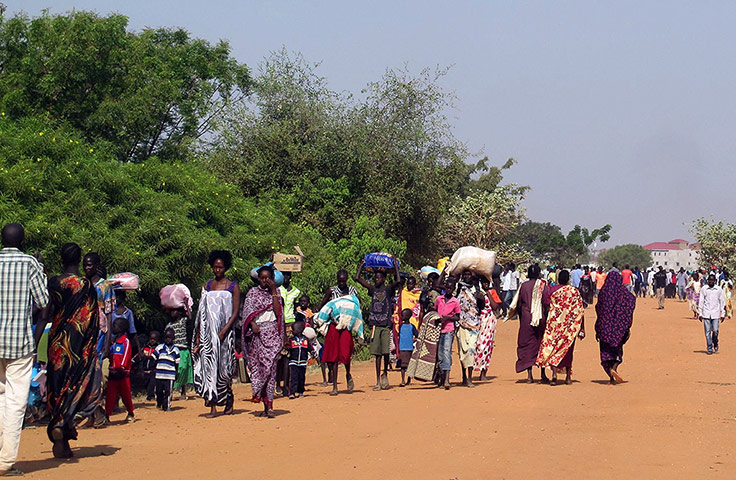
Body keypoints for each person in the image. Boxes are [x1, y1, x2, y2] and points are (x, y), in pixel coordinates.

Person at [40, 243, 100, 459]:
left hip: (56, 341)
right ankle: (65, 424)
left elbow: (46, 313)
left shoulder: (53, 282)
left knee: (57, 387)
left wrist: (36, 340)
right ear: (79, 259)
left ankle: (61, 435)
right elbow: (91, 318)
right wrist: (91, 348)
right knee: (75, 386)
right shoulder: (85, 285)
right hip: (77, 345)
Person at [0, 223, 49, 473]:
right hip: (19, 344)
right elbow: (43, 301)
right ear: (21, 242)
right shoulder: (29, 263)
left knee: (0, 398)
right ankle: (5, 462)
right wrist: (40, 269)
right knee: (15, 403)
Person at [193, 250, 240, 417]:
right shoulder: (207, 286)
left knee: (224, 368)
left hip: (225, 335)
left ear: (226, 267)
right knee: (209, 367)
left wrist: (224, 331)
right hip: (208, 334)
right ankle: (212, 405)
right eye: (214, 267)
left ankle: (228, 397)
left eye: (220, 267)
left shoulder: (232, 286)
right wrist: (199, 337)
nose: (217, 270)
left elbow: (235, 312)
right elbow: (201, 313)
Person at [242, 265, 283, 418]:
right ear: (258, 279)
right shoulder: (252, 294)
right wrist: (253, 325)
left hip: (272, 334)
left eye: (268, 278)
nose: (265, 280)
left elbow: (278, 313)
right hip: (257, 336)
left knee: (270, 371)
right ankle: (264, 404)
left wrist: (273, 292)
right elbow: (246, 314)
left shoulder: (277, 292)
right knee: (259, 370)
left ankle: (270, 405)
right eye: (262, 278)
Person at [356, 259, 401, 391]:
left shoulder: (387, 290)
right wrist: (361, 265)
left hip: (386, 324)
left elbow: (398, 281)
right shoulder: (372, 289)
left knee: (386, 352)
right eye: (375, 277)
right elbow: (357, 278)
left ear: (384, 279)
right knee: (377, 354)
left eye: (379, 277)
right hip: (375, 325)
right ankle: (377, 381)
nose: (376, 279)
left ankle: (385, 373)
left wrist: (395, 266)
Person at [536, 270, 585, 385]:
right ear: (568, 279)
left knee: (553, 348)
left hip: (554, 325)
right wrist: (582, 328)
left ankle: (554, 374)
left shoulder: (552, 290)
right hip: (569, 326)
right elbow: (580, 310)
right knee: (568, 350)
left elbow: (547, 305)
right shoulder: (574, 291)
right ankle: (568, 377)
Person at [318, 270, 359, 396]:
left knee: (346, 353)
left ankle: (348, 374)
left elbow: (356, 306)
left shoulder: (352, 291)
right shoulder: (332, 291)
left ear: (347, 279)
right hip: (334, 327)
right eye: (339, 280)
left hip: (346, 327)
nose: (341, 283)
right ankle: (335, 387)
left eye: (343, 280)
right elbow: (324, 304)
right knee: (333, 356)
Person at [509, 264, 549, 383]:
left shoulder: (523, 286)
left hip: (526, 318)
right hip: (541, 318)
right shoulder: (543, 286)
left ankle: (529, 375)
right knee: (542, 343)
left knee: (526, 345)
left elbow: (519, 304)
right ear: (538, 274)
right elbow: (546, 303)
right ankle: (543, 374)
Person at [594, 271, 635, 384]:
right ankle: (614, 368)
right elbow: (631, 304)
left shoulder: (603, 292)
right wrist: (627, 325)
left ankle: (611, 374)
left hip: (604, 328)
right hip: (619, 328)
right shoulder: (624, 293)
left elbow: (598, 308)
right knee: (617, 351)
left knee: (606, 352)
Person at [455, 270, 484, 387]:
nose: (467, 277)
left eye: (469, 275)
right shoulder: (458, 288)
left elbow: (481, 309)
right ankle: (464, 376)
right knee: (463, 350)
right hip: (461, 323)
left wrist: (480, 299)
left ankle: (470, 378)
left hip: (474, 324)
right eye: (465, 275)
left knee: (471, 350)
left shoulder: (477, 290)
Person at [104, 316, 135, 423]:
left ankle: (131, 413)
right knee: (110, 395)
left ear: (121, 328)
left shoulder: (125, 341)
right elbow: (109, 355)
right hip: (113, 373)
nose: (113, 327)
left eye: (114, 325)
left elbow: (127, 356)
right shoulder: (113, 342)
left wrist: (121, 368)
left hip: (122, 374)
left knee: (125, 395)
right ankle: (107, 415)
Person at [278, 271, 301, 396]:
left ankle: (286, 385)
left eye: (288, 275)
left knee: (288, 356)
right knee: (278, 357)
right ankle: (277, 384)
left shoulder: (296, 292)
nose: (286, 278)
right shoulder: (277, 290)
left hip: (290, 325)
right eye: (284, 275)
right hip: (278, 325)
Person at [435, 275, 460, 390]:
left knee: (446, 352)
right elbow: (435, 311)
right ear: (445, 287)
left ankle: (447, 379)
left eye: (451, 288)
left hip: (449, 329)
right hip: (438, 329)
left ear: (453, 288)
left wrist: (447, 318)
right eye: (447, 288)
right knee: (439, 355)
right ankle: (441, 377)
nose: (449, 289)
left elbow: (457, 317)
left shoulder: (455, 301)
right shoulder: (439, 299)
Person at [473, 275, 499, 381]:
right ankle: (475, 368)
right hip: (479, 321)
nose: (485, 284)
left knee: (487, 346)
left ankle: (484, 372)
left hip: (489, 322)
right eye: (483, 282)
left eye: (487, 282)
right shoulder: (477, 294)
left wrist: (488, 292)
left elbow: (495, 307)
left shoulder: (492, 292)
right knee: (478, 345)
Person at [165, 306, 193, 401]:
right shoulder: (169, 325)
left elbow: (190, 317)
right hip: (173, 350)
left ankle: (183, 391)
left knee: (183, 370)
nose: (172, 313)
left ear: (179, 313)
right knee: (173, 371)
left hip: (183, 349)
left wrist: (186, 304)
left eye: (174, 311)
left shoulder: (182, 322)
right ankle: (170, 391)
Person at [154, 328, 181, 410]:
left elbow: (177, 363)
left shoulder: (176, 350)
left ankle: (166, 406)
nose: (168, 339)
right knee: (158, 391)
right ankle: (159, 402)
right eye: (166, 337)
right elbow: (154, 359)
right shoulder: (159, 347)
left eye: (170, 337)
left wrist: (176, 373)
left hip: (170, 375)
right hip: (159, 374)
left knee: (168, 392)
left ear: (173, 338)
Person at [698, 274, 726, 355]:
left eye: (712, 280)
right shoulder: (704, 289)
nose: (711, 282)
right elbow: (701, 301)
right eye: (709, 280)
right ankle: (709, 347)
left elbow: (722, 302)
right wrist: (700, 313)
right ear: (707, 281)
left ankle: (715, 342)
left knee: (715, 330)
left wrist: (723, 314)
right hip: (706, 313)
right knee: (707, 332)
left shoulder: (718, 289)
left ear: (715, 281)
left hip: (715, 313)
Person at [287, 317, 311, 399]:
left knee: (301, 377)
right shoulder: (291, 340)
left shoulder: (306, 340)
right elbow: (288, 348)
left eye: (294, 330)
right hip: (293, 362)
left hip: (303, 362)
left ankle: (301, 392)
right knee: (293, 378)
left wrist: (313, 353)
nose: (292, 331)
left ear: (300, 330)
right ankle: (292, 393)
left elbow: (310, 348)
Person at [112, 290, 141, 355]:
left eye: (118, 297)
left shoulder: (128, 313)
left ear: (123, 298)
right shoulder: (110, 311)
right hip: (110, 342)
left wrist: (139, 348)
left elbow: (132, 331)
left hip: (122, 343)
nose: (115, 299)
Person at [397, 309, 418, 386]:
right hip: (402, 348)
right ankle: (403, 380)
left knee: (409, 366)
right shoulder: (401, 326)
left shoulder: (411, 326)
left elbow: (417, 335)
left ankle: (408, 380)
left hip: (409, 348)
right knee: (403, 366)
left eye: (402, 315)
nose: (401, 316)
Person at [139, 331, 160, 401]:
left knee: (152, 383)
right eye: (151, 339)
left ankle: (151, 396)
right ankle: (149, 394)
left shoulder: (158, 349)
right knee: (146, 383)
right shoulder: (145, 347)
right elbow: (140, 356)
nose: (152, 340)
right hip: (145, 369)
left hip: (153, 370)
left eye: (154, 339)